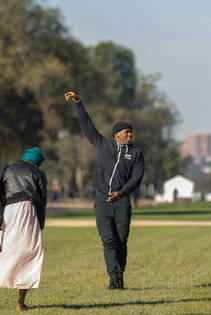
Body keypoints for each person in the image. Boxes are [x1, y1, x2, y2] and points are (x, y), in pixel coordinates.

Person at [65, 91, 145, 290]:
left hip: (122, 201)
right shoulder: (103, 145)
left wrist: (122, 193)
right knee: (108, 241)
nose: (129, 134)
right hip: (102, 200)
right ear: (116, 134)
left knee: (121, 241)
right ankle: (114, 279)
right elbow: (87, 126)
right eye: (126, 132)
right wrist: (79, 104)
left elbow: (137, 178)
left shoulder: (136, 154)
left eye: (130, 132)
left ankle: (119, 273)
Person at [0, 147, 48, 311]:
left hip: (8, 214)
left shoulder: (7, 169)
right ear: (37, 162)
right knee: (29, 253)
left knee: (0, 252)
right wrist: (40, 225)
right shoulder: (38, 174)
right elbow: (42, 202)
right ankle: (20, 304)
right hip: (28, 213)